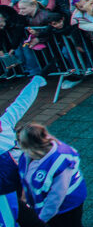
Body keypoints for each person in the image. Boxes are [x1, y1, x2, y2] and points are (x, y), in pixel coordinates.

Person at [16, 123, 86, 227]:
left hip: (67, 207)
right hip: (48, 208)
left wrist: (39, 221)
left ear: (29, 145)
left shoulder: (60, 161)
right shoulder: (28, 155)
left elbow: (56, 198)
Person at [0, 77, 46, 226]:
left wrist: (35, 83)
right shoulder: (5, 125)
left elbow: (20, 104)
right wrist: (35, 83)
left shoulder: (5, 124)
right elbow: (20, 104)